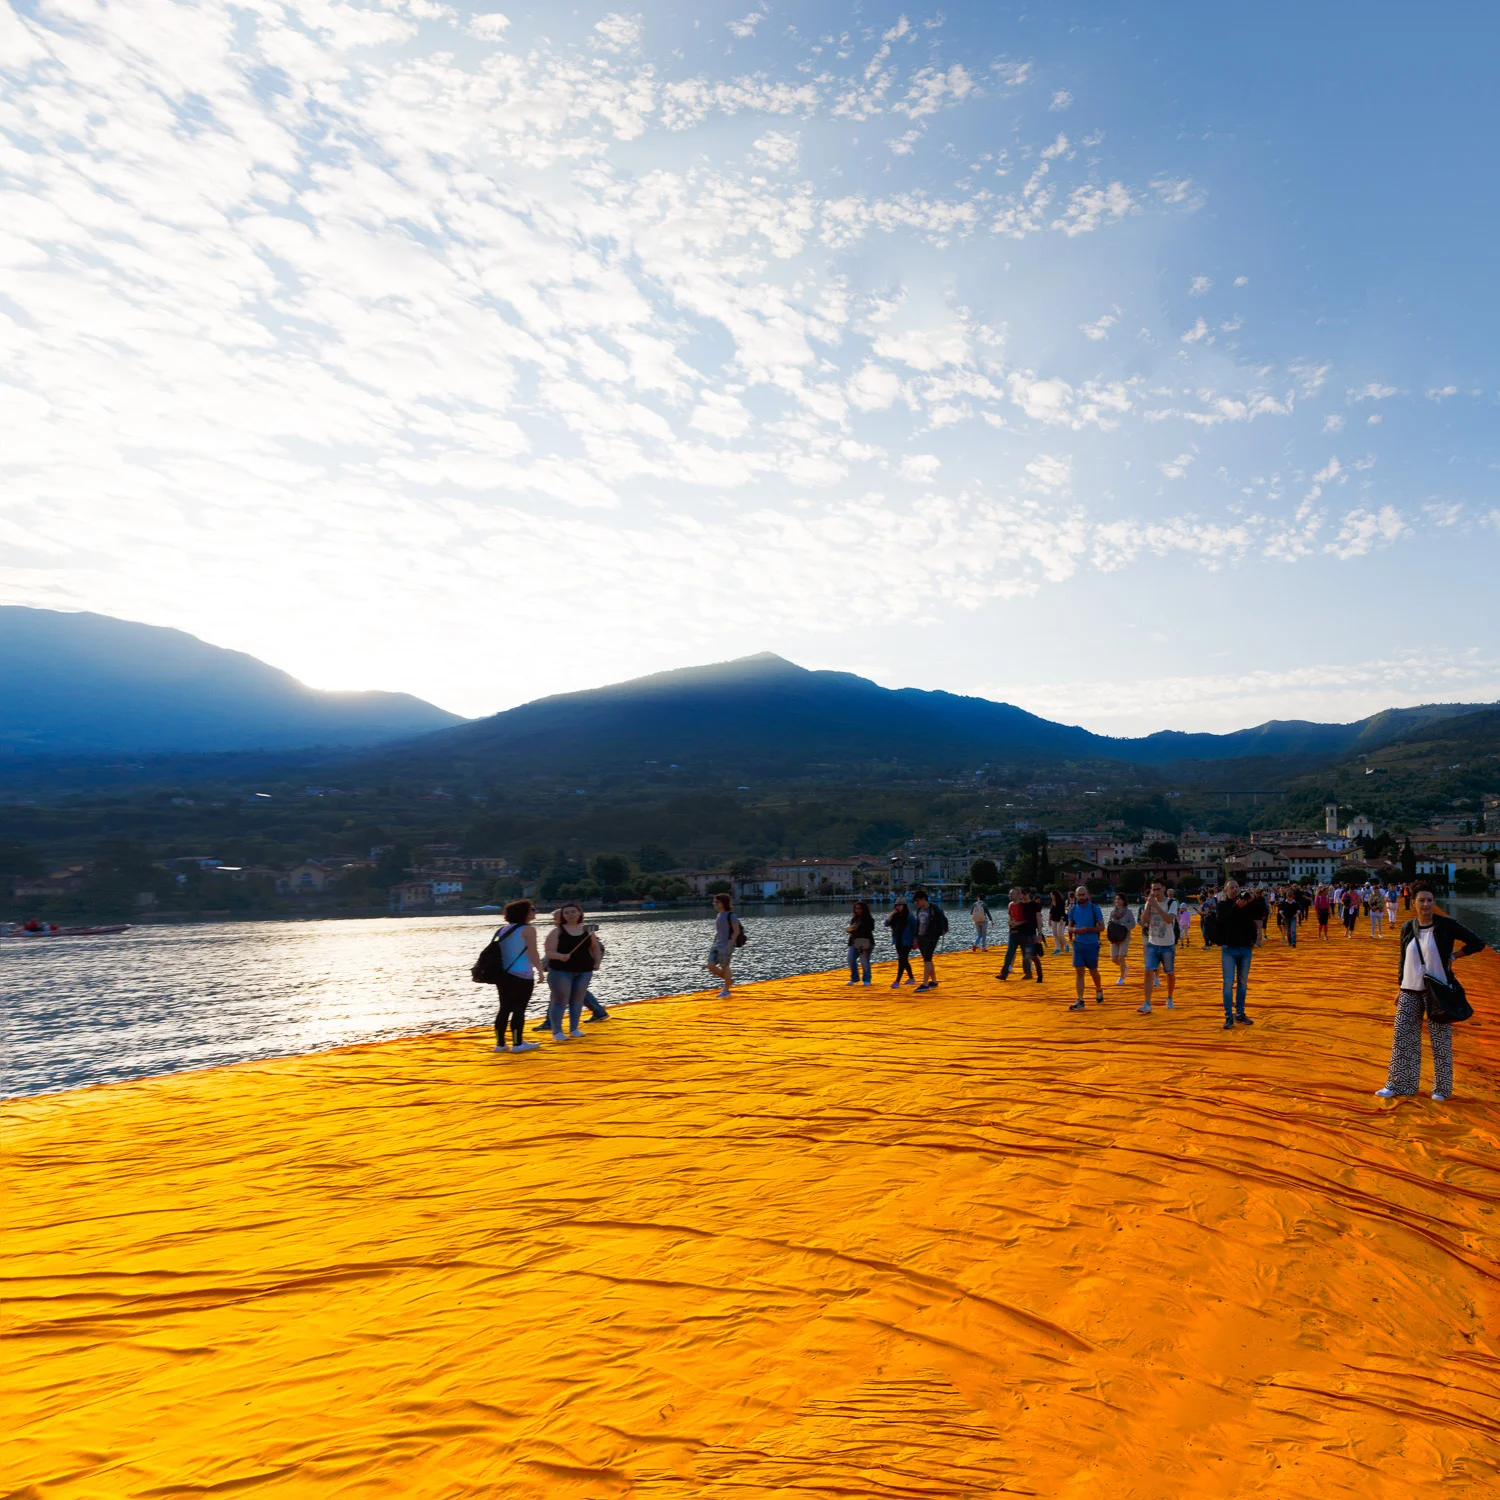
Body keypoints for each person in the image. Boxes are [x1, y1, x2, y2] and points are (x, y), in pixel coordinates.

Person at [1377, 885, 1487, 1102]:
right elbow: (1403, 959)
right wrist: (1400, 987)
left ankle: (1442, 1089)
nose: (1426, 904)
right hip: (1410, 989)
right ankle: (1399, 1085)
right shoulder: (1408, 927)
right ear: (1414, 902)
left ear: (1434, 902)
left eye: (1429, 900)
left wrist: (1454, 956)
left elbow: (1477, 943)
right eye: (1421, 900)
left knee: (1440, 1041)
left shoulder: (1446, 925)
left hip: (1437, 990)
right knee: (1402, 1039)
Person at [490, 899, 544, 1053]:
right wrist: (540, 969)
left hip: (504, 975)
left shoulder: (502, 930)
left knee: (504, 1008)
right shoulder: (529, 930)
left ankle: (500, 1044)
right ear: (525, 913)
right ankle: (517, 1043)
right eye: (532, 909)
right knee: (519, 1009)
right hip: (523, 974)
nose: (535, 911)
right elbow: (533, 952)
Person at [543, 903, 602, 1040]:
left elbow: (595, 948)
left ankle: (574, 1029)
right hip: (560, 970)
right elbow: (549, 951)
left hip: (584, 970)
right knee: (560, 1000)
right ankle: (557, 1031)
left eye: (573, 912)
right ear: (562, 916)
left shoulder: (587, 931)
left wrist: (597, 962)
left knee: (577, 1000)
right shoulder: (557, 931)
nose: (570, 915)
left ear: (579, 913)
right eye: (566, 913)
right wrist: (560, 956)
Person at [1215, 879, 1267, 1029]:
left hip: (1245, 948)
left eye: (1237, 887)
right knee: (1228, 983)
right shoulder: (1223, 905)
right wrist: (1236, 906)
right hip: (1229, 948)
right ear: (1225, 890)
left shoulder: (1248, 904)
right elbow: (1221, 919)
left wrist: (1255, 899)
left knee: (1243, 983)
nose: (1235, 889)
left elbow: (1262, 914)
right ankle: (1228, 1016)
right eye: (1231, 887)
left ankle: (1240, 1014)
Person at [1138, 880, 1179, 1014]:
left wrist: (1156, 906)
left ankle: (1169, 997)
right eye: (1153, 890)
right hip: (1152, 943)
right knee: (1148, 971)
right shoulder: (1149, 903)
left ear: (1164, 889)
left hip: (1167, 944)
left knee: (1169, 973)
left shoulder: (1171, 903)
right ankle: (1147, 1002)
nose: (1155, 892)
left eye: (1157, 889)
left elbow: (1168, 919)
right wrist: (1149, 907)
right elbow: (1143, 921)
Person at [1066, 885, 1106, 1010]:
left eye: (1083, 895)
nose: (1082, 897)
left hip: (1092, 944)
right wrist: (1075, 930)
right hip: (1078, 945)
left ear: (1088, 895)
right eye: (1079, 895)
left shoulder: (1095, 909)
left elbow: (1102, 927)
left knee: (1093, 971)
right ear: (1076, 896)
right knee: (1079, 972)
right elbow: (1069, 927)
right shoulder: (1072, 910)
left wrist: (1088, 929)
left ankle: (1098, 989)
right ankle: (1080, 1000)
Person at [997, 886, 1042, 982]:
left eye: (1012, 894)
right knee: (1010, 953)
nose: (1010, 895)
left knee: (1027, 955)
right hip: (1013, 932)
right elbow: (1010, 917)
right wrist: (1010, 925)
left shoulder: (1023, 905)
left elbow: (1030, 919)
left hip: (1024, 933)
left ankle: (1030, 973)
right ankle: (1004, 973)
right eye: (1010, 894)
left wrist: (1039, 933)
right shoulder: (1011, 905)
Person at [707, 891, 743, 999]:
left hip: (726, 944)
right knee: (710, 966)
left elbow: (736, 931)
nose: (715, 904)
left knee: (724, 966)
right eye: (714, 902)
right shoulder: (719, 915)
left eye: (717, 902)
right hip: (717, 944)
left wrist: (729, 944)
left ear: (723, 903)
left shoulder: (731, 915)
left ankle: (726, 990)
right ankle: (729, 980)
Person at [912, 888, 947, 992]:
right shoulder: (919, 910)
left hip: (931, 937)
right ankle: (934, 981)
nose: (916, 903)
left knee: (927, 959)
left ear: (923, 899)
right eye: (915, 901)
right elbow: (917, 924)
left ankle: (925, 983)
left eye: (918, 900)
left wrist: (941, 932)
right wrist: (916, 937)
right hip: (921, 936)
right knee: (927, 959)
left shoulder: (934, 909)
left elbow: (943, 920)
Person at [886, 899, 917, 987]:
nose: (898, 907)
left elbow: (915, 929)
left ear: (904, 906)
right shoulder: (895, 916)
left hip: (907, 941)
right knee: (904, 960)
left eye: (900, 905)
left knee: (901, 959)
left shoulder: (909, 916)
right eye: (896, 905)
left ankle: (897, 981)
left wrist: (915, 940)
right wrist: (891, 914)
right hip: (898, 940)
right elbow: (886, 924)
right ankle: (911, 978)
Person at [1106, 893, 1136, 985]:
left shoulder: (1128, 912)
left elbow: (1133, 924)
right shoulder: (1113, 912)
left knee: (1121, 957)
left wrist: (1123, 926)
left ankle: (1122, 977)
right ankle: (1125, 967)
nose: (1117, 901)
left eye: (1119, 899)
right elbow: (1109, 923)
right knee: (1114, 958)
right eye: (1116, 899)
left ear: (1123, 901)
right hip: (1114, 937)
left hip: (1124, 936)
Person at [846, 899, 875, 986]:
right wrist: (851, 930)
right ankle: (854, 978)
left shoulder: (869, 919)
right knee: (850, 958)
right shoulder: (854, 919)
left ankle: (867, 979)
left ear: (864, 909)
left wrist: (857, 929)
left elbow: (869, 929)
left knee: (864, 960)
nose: (857, 910)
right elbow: (853, 930)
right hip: (854, 941)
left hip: (865, 941)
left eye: (859, 908)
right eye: (855, 908)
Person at [1047, 889, 1070, 954]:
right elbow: (1051, 912)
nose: (1051, 896)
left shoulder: (1061, 902)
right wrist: (1049, 920)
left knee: (1060, 934)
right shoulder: (1052, 902)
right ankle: (1057, 949)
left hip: (1061, 920)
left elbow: (1062, 912)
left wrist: (1061, 919)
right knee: (1055, 935)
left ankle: (1066, 945)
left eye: (1051, 895)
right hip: (1053, 920)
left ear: (1055, 895)